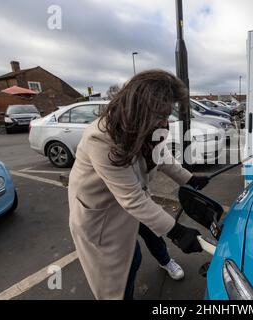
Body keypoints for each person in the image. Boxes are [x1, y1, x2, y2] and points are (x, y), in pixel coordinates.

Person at [68, 70, 210, 300]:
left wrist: (189, 178)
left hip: (133, 200)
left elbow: (160, 155)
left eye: (168, 114)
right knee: (128, 264)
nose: (165, 122)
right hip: (104, 212)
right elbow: (132, 199)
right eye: (160, 115)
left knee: (155, 233)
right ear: (139, 109)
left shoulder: (147, 128)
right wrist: (177, 231)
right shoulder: (101, 138)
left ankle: (165, 261)